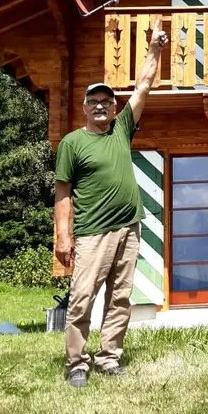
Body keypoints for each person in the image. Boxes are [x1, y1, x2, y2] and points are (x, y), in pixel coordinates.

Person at [54, 19, 168, 387]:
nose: (101, 106)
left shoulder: (122, 128)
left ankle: (109, 356)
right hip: (92, 233)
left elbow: (145, 84)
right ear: (85, 108)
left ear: (114, 107)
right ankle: (76, 363)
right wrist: (63, 237)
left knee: (120, 297)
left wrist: (155, 49)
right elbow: (62, 193)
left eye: (107, 102)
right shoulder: (72, 143)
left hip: (129, 229)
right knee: (83, 297)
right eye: (94, 102)